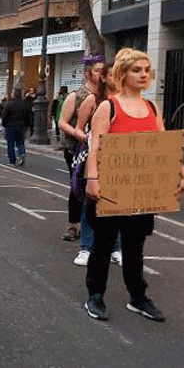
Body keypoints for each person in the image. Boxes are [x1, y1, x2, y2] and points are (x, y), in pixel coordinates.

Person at [83, 48, 183, 322]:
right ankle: (95, 296)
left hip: (140, 192)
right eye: (137, 70)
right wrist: (92, 178)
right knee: (103, 246)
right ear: (123, 73)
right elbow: (95, 147)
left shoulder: (152, 107)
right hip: (111, 188)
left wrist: (178, 170)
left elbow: (163, 145)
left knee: (134, 246)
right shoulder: (109, 107)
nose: (143, 75)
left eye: (146, 70)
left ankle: (138, 297)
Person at [70, 63, 122, 267]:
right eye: (110, 74)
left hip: (119, 161)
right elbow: (78, 128)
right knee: (90, 204)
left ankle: (115, 248)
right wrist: (91, 141)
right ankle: (86, 248)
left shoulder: (125, 102)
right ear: (104, 78)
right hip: (95, 157)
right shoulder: (94, 100)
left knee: (115, 205)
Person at [58, 56, 105, 242]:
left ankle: (96, 226)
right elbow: (62, 122)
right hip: (76, 149)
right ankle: (73, 225)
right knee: (77, 185)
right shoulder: (75, 96)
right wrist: (80, 136)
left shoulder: (106, 96)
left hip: (99, 148)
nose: (101, 74)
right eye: (97, 70)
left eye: (103, 71)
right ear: (88, 73)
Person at [1, 89, 31, 166]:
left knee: (10, 144)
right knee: (20, 141)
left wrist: (4, 124)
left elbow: (4, 116)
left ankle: (12, 161)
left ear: (14, 94)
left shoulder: (9, 104)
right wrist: (27, 125)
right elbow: (29, 116)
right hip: (21, 126)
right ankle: (22, 153)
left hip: (10, 126)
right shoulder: (25, 104)